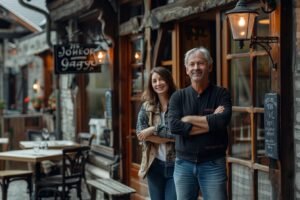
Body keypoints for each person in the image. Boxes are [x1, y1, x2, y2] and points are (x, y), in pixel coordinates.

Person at [168, 47, 232, 200]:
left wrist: (188, 119)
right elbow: (174, 126)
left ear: (209, 66)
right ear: (187, 69)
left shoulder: (221, 93)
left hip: (213, 164)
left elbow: (222, 121)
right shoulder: (178, 96)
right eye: (192, 64)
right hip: (183, 164)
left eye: (200, 63)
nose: (196, 67)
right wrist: (211, 120)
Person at [136, 67, 177, 200]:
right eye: (154, 81)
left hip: (176, 164)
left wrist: (152, 130)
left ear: (168, 80)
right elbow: (140, 134)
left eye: (161, 79)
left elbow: (180, 132)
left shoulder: (179, 103)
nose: (158, 83)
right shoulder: (146, 106)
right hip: (154, 164)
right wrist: (170, 137)